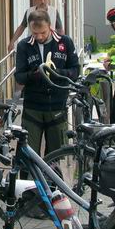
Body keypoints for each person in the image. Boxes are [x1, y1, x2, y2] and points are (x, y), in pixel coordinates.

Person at [13, 9, 79, 157]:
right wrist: (35, 74)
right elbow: (19, 77)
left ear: (49, 26)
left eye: (42, 32)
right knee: (27, 155)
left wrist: (56, 73)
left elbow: (75, 71)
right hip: (33, 107)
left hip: (57, 106)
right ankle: (29, 180)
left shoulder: (65, 42)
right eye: (35, 33)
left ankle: (52, 180)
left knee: (55, 156)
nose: (39, 37)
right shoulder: (24, 45)